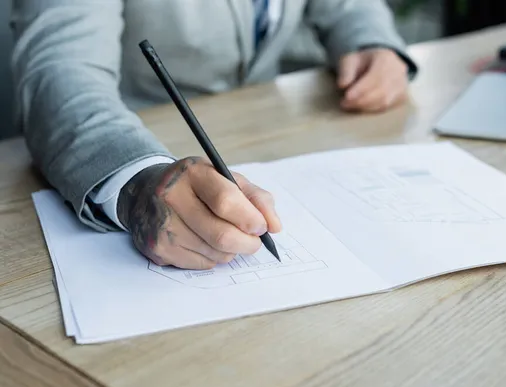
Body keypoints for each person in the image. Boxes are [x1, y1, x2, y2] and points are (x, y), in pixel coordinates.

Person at [11, 0, 418, 270]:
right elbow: (60, 72)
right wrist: (137, 180)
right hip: (134, 135)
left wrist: (370, 41)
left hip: (266, 134)